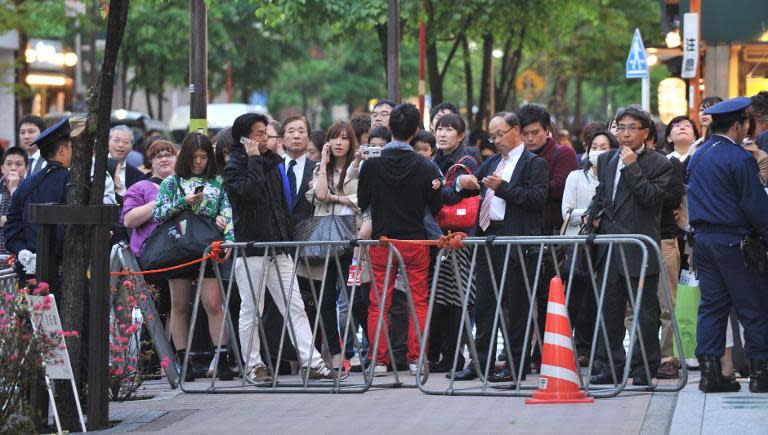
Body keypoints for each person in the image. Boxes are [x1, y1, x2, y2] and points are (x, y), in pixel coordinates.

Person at [223, 112, 343, 382]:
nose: (264, 138)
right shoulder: (236, 167)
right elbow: (248, 193)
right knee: (252, 309)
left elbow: (280, 206)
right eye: (258, 134)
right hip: (252, 248)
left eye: (265, 133)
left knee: (295, 306)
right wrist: (253, 158)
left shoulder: (271, 163)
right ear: (243, 138)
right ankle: (254, 365)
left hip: (279, 248)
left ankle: (312, 362)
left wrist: (288, 243)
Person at [451, 112, 549, 382]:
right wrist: (463, 182)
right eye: (492, 136)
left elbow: (537, 198)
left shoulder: (534, 163)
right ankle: (480, 362)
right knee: (484, 304)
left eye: (500, 134)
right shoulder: (493, 161)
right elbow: (469, 187)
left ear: (515, 129)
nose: (496, 141)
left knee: (517, 306)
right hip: (487, 237)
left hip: (516, 240)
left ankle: (515, 365)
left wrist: (503, 188)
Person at [687, 97, 768, 393]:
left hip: (704, 240)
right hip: (735, 240)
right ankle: (761, 373)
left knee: (711, 307)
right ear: (738, 125)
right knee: (753, 305)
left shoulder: (699, 154)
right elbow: (754, 204)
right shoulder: (740, 158)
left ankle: (711, 374)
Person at [587, 106, 671, 386]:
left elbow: (650, 198)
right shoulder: (607, 159)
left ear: (645, 132)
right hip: (609, 245)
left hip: (639, 247)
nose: (624, 133)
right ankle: (608, 364)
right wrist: (594, 216)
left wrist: (633, 166)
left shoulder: (660, 163)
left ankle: (644, 367)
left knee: (645, 313)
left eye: (631, 128)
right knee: (608, 310)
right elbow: (602, 194)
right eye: (620, 127)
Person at [358, 103, 443, 376]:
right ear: (417, 130)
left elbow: (362, 201)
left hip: (383, 242)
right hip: (416, 243)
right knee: (418, 301)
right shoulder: (425, 166)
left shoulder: (372, 165)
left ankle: (379, 361)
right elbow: (435, 204)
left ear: (390, 128)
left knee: (378, 302)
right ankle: (417, 358)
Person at [153, 132, 236, 382]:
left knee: (213, 304)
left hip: (208, 247)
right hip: (179, 248)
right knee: (180, 306)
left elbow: (227, 211)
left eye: (203, 157)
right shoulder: (171, 182)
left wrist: (229, 237)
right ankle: (183, 360)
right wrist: (183, 201)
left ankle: (221, 358)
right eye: (194, 157)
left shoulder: (218, 183)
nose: (198, 162)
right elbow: (158, 214)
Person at [515, 103, 578, 370]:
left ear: (547, 130)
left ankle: (545, 353)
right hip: (523, 236)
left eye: (535, 133)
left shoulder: (562, 153)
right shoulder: (517, 156)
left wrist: (521, 191)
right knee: (520, 298)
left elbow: (555, 189)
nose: (530, 139)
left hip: (551, 237)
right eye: (525, 134)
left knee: (547, 298)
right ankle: (520, 353)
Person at [301, 121, 362, 370]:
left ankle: (361, 351)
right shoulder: (320, 168)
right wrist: (324, 164)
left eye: (344, 138)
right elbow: (319, 195)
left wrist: (338, 198)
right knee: (324, 298)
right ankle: (336, 354)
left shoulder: (359, 168)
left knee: (355, 298)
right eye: (334, 138)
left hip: (351, 237)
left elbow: (362, 199)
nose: (339, 143)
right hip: (325, 238)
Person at [561, 131, 618, 365]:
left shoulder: (616, 177)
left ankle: (597, 350)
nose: (597, 151)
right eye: (594, 146)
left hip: (606, 246)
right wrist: (588, 217)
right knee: (576, 298)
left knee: (602, 300)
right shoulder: (575, 177)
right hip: (579, 246)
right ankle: (572, 347)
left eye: (604, 147)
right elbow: (566, 213)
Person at [428, 114, 479, 373]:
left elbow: (449, 193)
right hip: (440, 238)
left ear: (460, 135)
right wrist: (450, 187)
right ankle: (447, 356)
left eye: (449, 129)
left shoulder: (467, 160)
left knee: (458, 300)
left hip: (460, 239)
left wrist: (449, 186)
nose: (443, 133)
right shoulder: (435, 159)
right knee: (443, 299)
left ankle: (454, 356)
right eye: (439, 129)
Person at [5, 118, 74, 284]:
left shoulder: (28, 183)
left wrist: (22, 251)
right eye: (72, 147)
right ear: (62, 150)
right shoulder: (71, 182)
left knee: (33, 310)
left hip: (30, 271)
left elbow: (11, 224)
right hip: (62, 271)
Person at [121, 140, 177, 259]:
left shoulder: (185, 185)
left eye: (168, 155)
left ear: (176, 159)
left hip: (182, 250)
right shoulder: (140, 187)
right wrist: (161, 200)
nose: (164, 159)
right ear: (151, 161)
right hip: (152, 253)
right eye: (158, 156)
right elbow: (128, 221)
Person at [282, 115, 316, 227]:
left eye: (301, 131)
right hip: (277, 238)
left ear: (309, 138)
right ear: (282, 139)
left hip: (308, 235)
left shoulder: (317, 169)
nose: (296, 136)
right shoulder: (272, 169)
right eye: (291, 131)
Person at [0, 147, 29, 255]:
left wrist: (14, 190)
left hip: (19, 255)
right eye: (9, 164)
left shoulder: (31, 189)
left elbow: (26, 219)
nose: (13, 168)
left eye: (18, 164)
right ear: (2, 168)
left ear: (26, 168)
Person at [107, 125, 144, 201]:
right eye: (116, 140)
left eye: (126, 142)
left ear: (131, 146)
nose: (121, 145)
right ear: (108, 142)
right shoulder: (96, 166)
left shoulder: (137, 175)